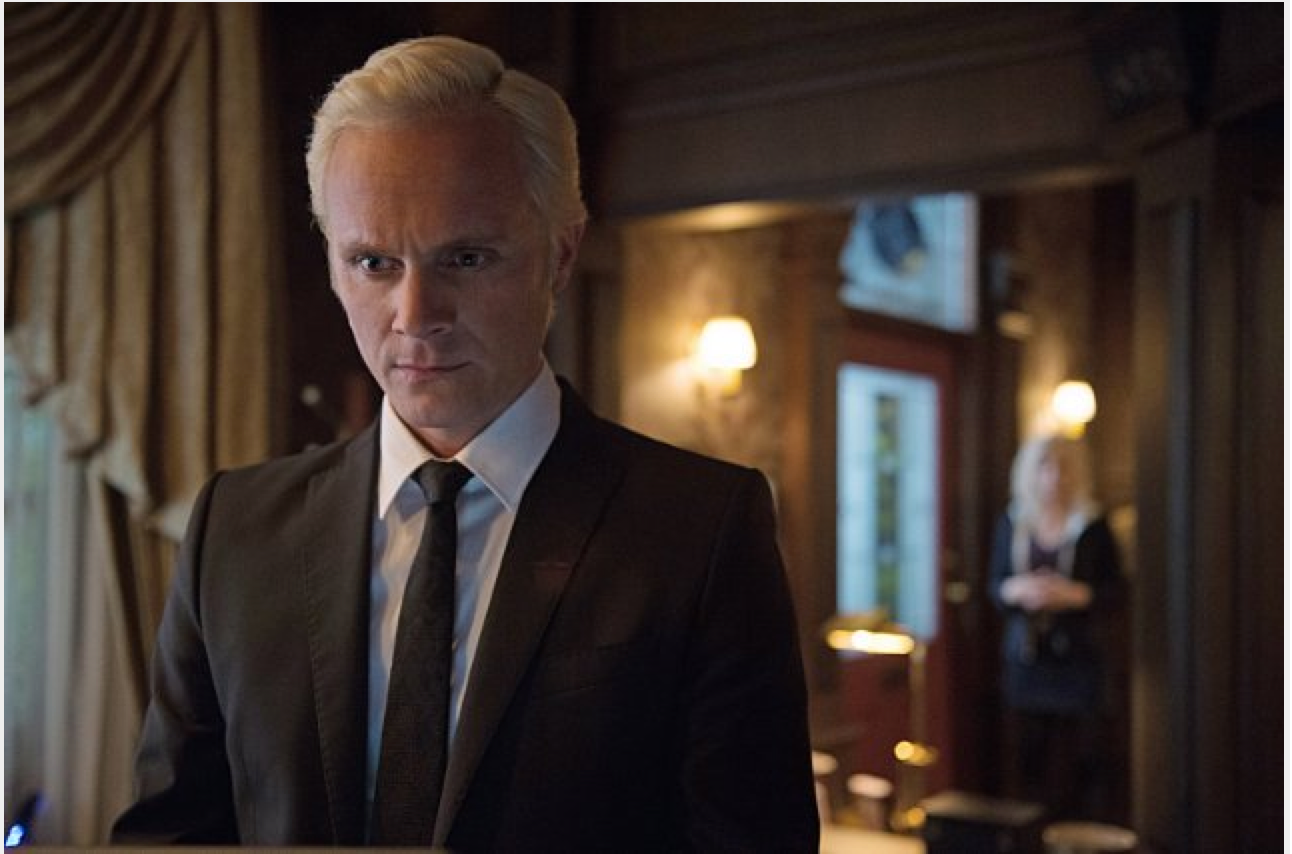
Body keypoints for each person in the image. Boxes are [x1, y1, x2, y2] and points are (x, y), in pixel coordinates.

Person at [110, 35, 818, 852]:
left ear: (560, 254)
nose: (416, 315)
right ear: (334, 266)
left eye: (467, 257)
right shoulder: (235, 528)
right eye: (374, 262)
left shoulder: (700, 530)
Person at [988, 433, 1125, 822]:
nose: (1053, 477)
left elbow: (1115, 591)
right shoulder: (1014, 522)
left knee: (1083, 757)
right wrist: (1021, 590)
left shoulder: (1092, 524)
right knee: (1029, 757)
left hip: (1077, 657)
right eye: (1045, 467)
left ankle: (1078, 835)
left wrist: (1074, 595)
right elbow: (995, 586)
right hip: (1027, 656)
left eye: (1063, 468)